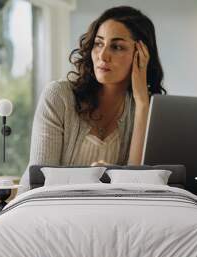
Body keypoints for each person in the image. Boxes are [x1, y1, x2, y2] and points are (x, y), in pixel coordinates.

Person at [19, 6, 166, 193]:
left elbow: (137, 188)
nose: (103, 56)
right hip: (43, 209)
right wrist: (94, 177)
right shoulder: (58, 97)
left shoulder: (145, 110)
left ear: (140, 55)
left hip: (106, 215)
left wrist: (143, 104)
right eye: (98, 44)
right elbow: (40, 181)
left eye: (117, 47)